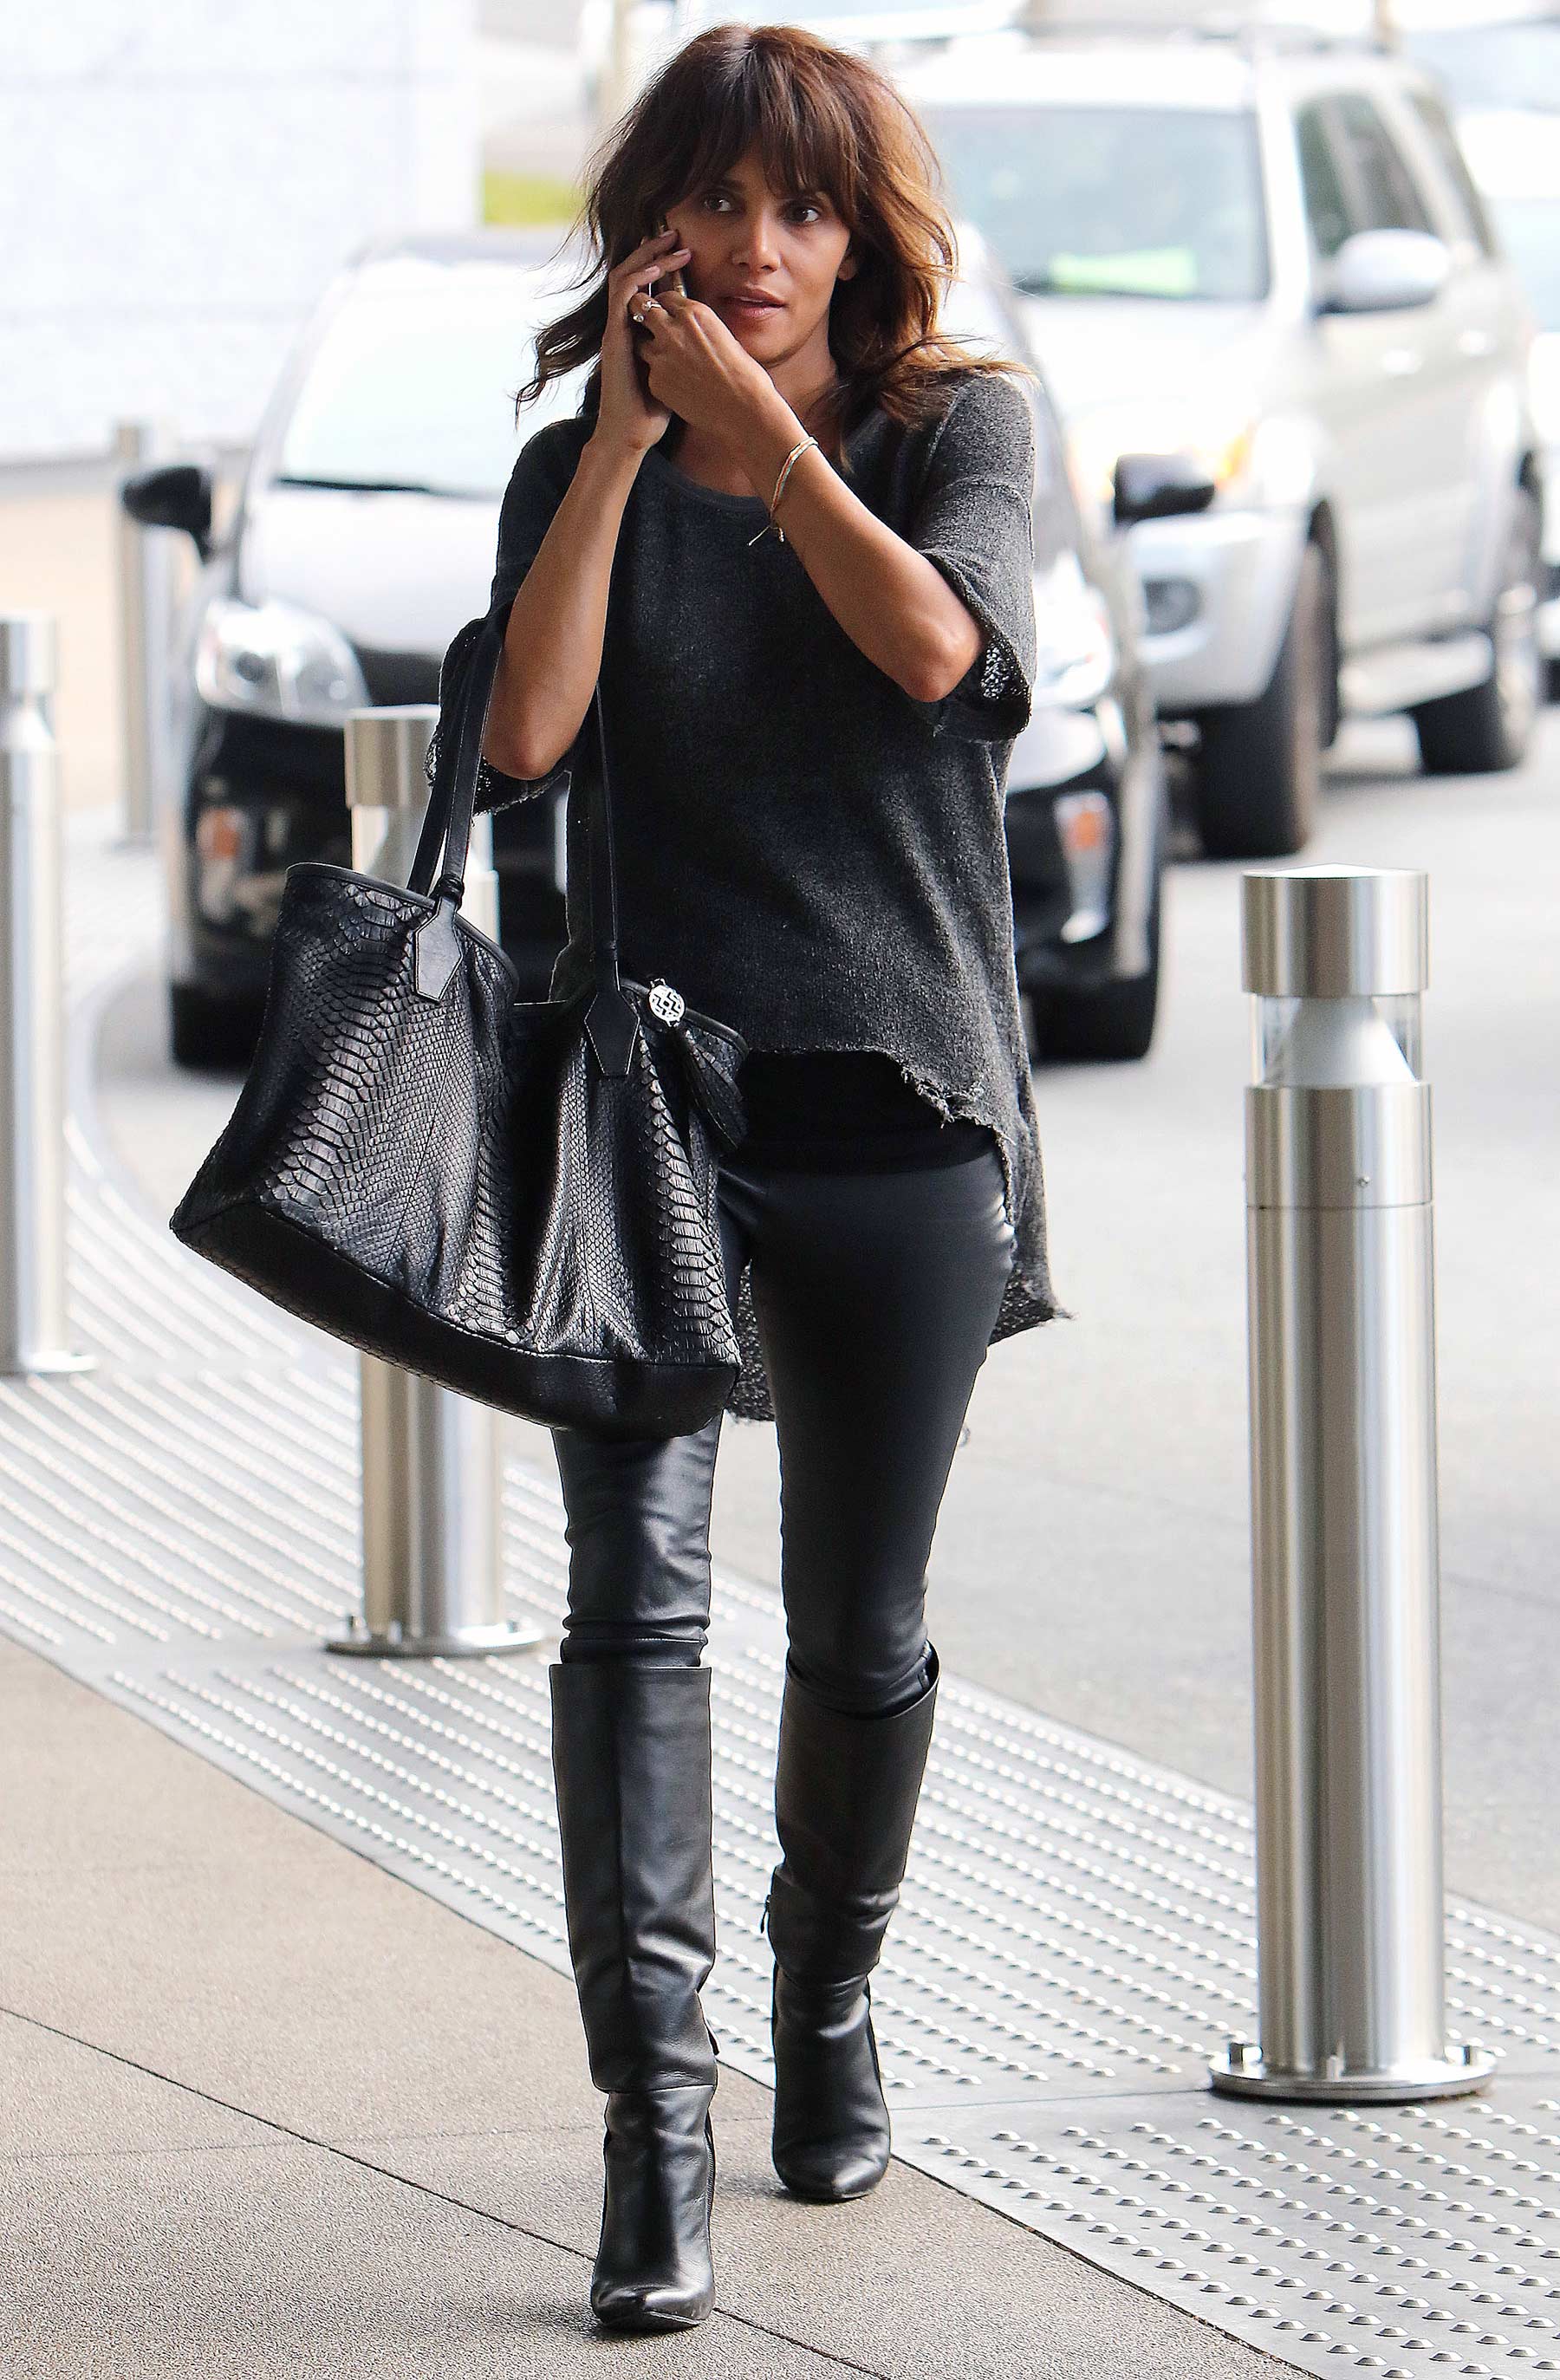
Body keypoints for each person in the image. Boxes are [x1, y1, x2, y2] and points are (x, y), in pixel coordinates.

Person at [432, 19, 1071, 2335]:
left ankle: (824, 2002)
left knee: (860, 1628)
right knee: (634, 1615)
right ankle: (652, 2136)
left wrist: (773, 450)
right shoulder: (564, 467)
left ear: (861, 233)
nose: (763, 246)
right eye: (722, 202)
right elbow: (526, 738)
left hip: (898, 1105)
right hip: (652, 1109)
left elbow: (933, 648)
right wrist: (618, 453)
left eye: (808, 208)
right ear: (656, 226)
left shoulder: (962, 426)